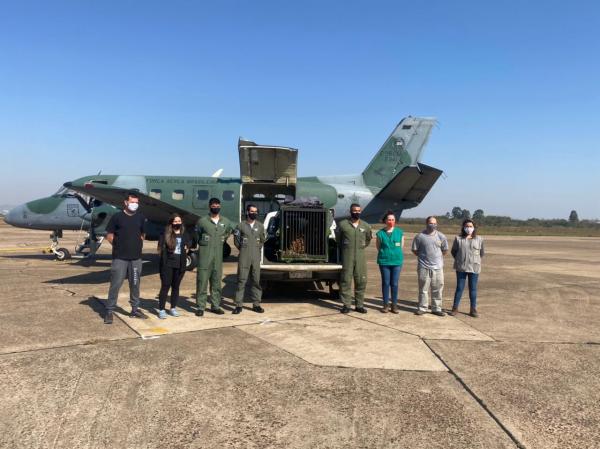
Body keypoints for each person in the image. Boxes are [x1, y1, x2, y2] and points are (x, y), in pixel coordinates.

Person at [103, 192, 148, 324]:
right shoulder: (117, 217)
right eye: (132, 202)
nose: (135, 204)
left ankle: (134, 309)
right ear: (126, 202)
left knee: (135, 284)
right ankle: (109, 311)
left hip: (135, 259)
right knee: (115, 284)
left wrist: (135, 245)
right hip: (120, 258)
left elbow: (143, 234)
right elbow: (109, 235)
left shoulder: (140, 217)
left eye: (136, 202)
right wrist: (119, 246)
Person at [195, 198, 233, 316]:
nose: (215, 207)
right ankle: (200, 307)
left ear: (220, 206)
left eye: (217, 205)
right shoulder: (202, 221)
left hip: (218, 257)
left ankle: (215, 306)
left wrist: (222, 238)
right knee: (202, 281)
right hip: (205, 256)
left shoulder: (225, 221)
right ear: (209, 206)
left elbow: (228, 231)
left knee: (216, 282)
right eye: (213, 205)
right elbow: (197, 235)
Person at [336, 203, 372, 314]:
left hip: (360, 256)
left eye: (358, 210)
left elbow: (367, 240)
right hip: (347, 256)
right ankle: (346, 305)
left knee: (361, 280)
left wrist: (359, 248)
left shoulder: (365, 226)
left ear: (361, 212)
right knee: (346, 280)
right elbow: (338, 240)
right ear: (350, 211)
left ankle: (359, 305)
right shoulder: (343, 225)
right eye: (354, 210)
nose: (356, 212)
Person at [411, 216, 448, 316]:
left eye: (435, 223)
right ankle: (422, 308)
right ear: (426, 223)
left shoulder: (441, 236)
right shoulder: (419, 236)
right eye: (431, 223)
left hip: (438, 268)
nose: (433, 225)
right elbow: (414, 250)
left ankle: (436, 308)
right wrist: (423, 257)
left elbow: (445, 250)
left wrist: (437, 259)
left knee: (438, 289)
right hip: (424, 267)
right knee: (423, 289)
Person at [157, 213, 192, 319]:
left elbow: (189, 242)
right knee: (165, 286)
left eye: (179, 221)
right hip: (168, 265)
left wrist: (188, 245)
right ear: (171, 222)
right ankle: (162, 309)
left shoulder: (184, 233)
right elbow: (160, 248)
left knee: (176, 287)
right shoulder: (165, 234)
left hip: (180, 265)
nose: (178, 223)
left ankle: (173, 308)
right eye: (175, 221)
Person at [232, 204, 265, 314]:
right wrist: (244, 248)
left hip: (255, 256)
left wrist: (256, 248)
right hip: (244, 256)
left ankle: (256, 304)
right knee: (241, 280)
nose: (254, 213)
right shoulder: (240, 226)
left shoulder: (260, 226)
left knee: (256, 280)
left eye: (255, 211)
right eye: (252, 211)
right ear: (247, 212)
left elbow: (262, 240)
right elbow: (236, 241)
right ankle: (238, 305)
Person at [450, 219, 484, 317]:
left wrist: (474, 260)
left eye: (470, 226)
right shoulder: (458, 239)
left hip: (474, 268)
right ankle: (455, 308)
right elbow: (454, 252)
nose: (468, 228)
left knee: (473, 289)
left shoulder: (479, 239)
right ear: (463, 227)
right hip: (461, 268)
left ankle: (473, 309)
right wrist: (460, 260)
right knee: (459, 288)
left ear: (474, 227)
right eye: (467, 226)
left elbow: (481, 253)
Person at [375, 211, 404, 314]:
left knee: (394, 283)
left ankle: (394, 305)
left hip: (396, 262)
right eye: (389, 219)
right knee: (386, 283)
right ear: (385, 221)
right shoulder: (380, 233)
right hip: (384, 262)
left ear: (395, 221)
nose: (391, 221)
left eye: (392, 220)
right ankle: (385, 305)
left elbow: (401, 246)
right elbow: (378, 246)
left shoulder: (400, 232)